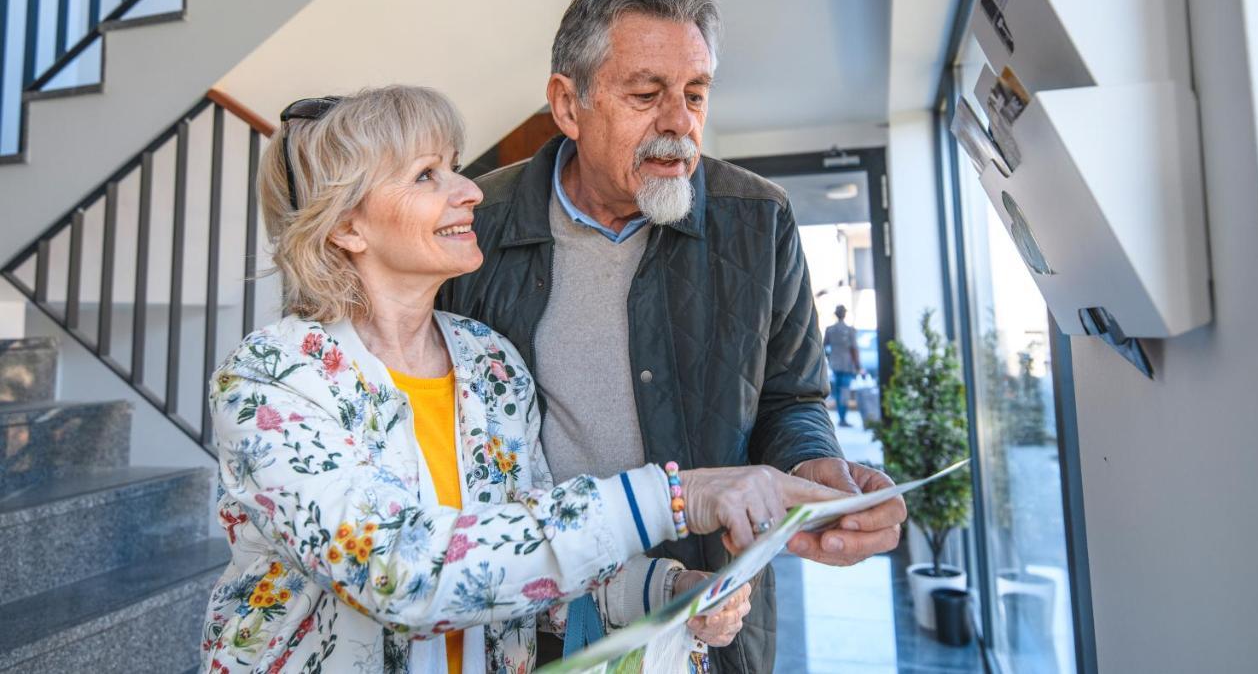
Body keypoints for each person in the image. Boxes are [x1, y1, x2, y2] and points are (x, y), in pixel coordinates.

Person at [200, 85, 847, 673]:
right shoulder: (271, 382)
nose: (471, 191)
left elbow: (530, 558)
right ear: (345, 224)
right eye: (428, 175)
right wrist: (675, 496)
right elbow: (402, 572)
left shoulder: (491, 363)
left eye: (454, 165)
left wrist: (668, 589)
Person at [438, 0, 908, 674]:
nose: (679, 123)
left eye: (694, 93)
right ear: (569, 105)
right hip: (526, 623)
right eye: (646, 94)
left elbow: (793, 396)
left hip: (705, 619)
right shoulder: (476, 225)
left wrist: (816, 467)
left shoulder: (760, 219)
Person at [823, 304, 863, 427]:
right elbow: (854, 349)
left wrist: (830, 357)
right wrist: (858, 366)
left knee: (839, 391)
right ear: (844, 314)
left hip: (835, 364)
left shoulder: (830, 329)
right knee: (844, 392)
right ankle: (842, 418)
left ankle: (841, 417)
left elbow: (824, 346)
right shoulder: (850, 330)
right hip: (847, 365)